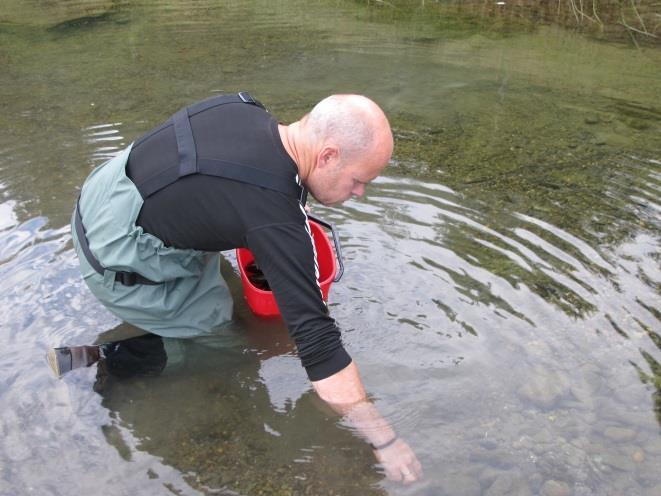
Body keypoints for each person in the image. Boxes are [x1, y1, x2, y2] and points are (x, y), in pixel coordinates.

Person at [51, 92, 423, 483]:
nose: (360, 192)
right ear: (328, 156)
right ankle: (108, 359)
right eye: (359, 180)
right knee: (230, 347)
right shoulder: (275, 219)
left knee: (228, 293)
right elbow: (319, 345)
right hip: (114, 257)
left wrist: (283, 211)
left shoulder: (246, 108)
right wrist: (385, 439)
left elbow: (230, 186)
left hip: (104, 193)